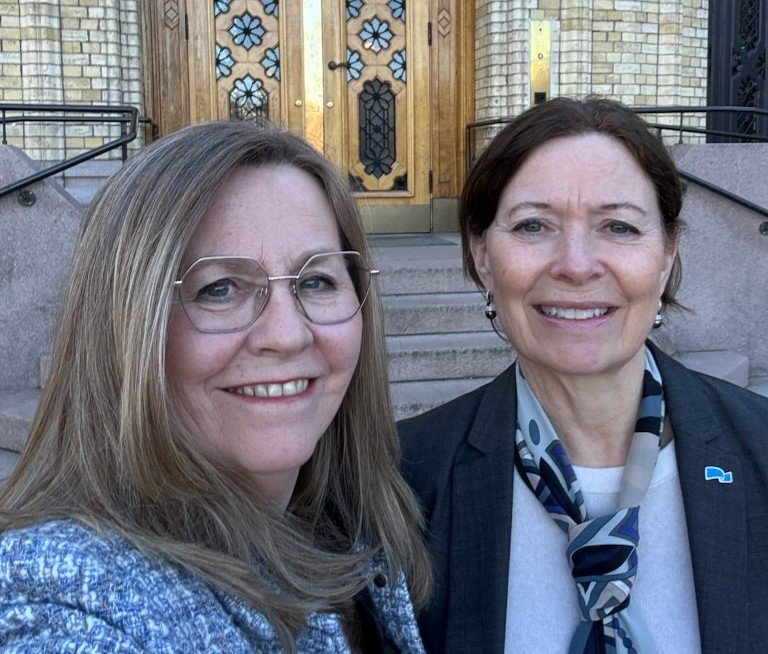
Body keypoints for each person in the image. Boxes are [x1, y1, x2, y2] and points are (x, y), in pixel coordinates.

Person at [0, 120, 431, 653]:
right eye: (220, 288)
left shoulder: (360, 527)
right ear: (126, 325)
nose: (287, 335)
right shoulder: (65, 596)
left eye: (316, 281)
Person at [399, 97, 768, 653]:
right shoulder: (404, 481)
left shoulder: (760, 447)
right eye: (533, 225)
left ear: (667, 254)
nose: (575, 265)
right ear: (481, 254)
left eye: (619, 226)